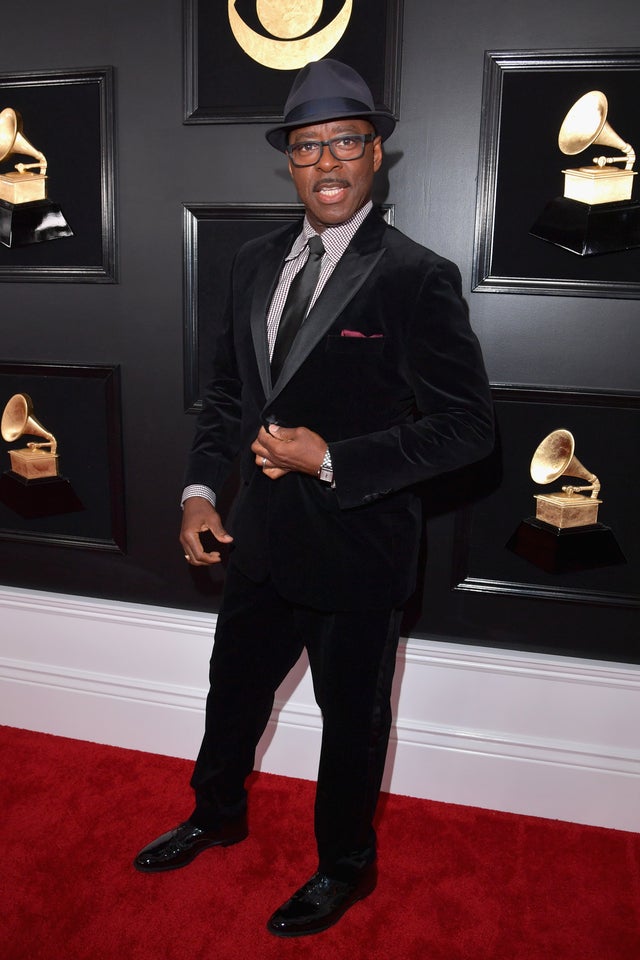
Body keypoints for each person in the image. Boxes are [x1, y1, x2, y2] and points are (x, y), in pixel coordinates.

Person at [134, 58, 494, 937]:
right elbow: (227, 395)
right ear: (288, 162)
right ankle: (216, 814)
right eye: (307, 147)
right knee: (232, 697)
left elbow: (468, 429)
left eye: (344, 142)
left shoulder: (417, 276)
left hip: (359, 552)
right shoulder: (252, 261)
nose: (327, 162)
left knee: (353, 727)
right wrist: (195, 493)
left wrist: (332, 456)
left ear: (377, 155)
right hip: (256, 539)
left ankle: (345, 870)